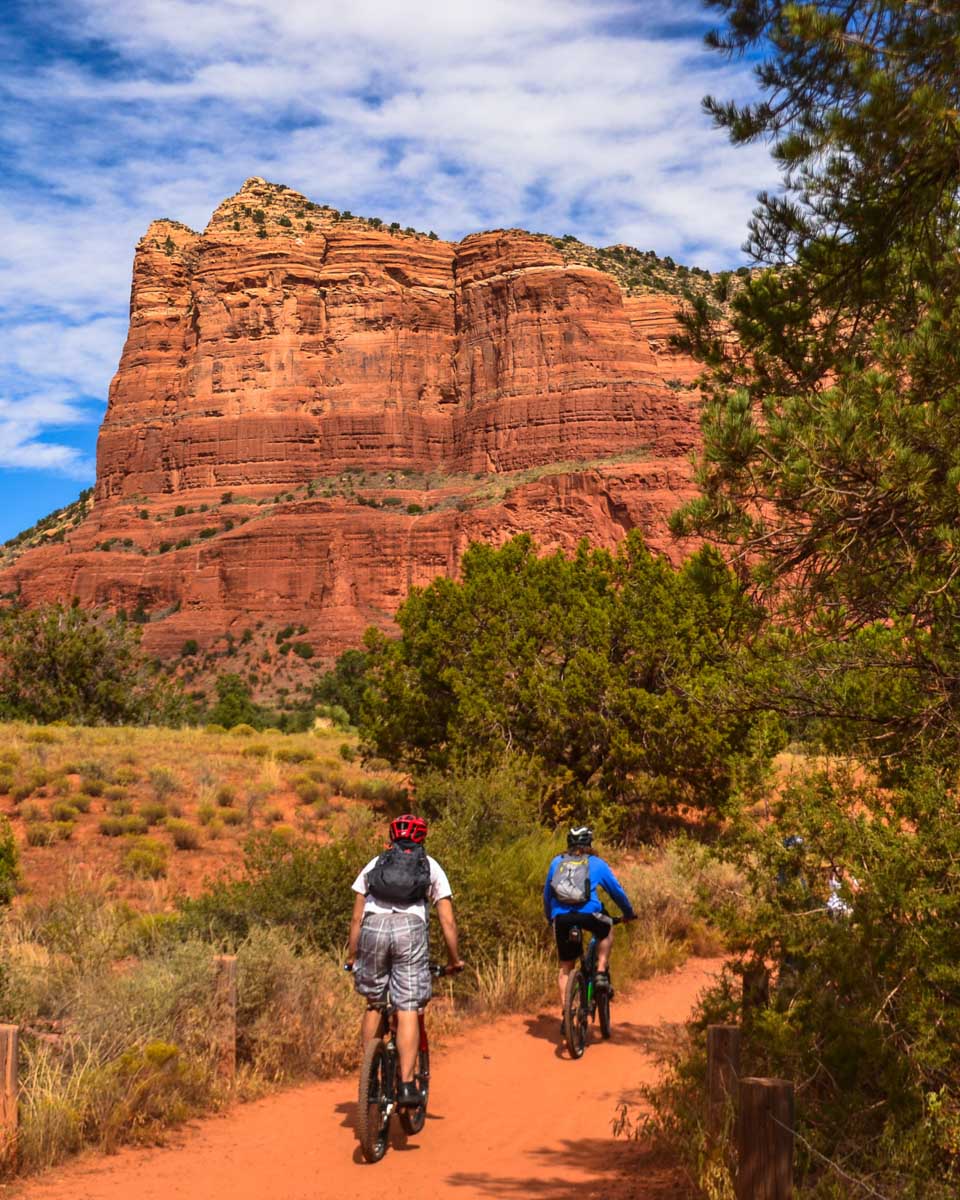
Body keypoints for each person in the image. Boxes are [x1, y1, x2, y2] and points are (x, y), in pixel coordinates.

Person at [346, 813, 462, 1106]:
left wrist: (352, 956)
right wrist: (454, 959)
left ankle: (371, 1074)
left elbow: (357, 917)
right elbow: (447, 921)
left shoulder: (375, 863)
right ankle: (408, 1084)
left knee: (374, 1001)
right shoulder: (430, 865)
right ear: (422, 838)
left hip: (373, 928)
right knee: (408, 1005)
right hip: (409, 930)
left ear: (391, 836)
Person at [544, 826, 635, 1019]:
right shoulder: (596, 863)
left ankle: (567, 1013)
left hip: (562, 917)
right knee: (607, 927)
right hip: (589, 914)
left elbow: (547, 894)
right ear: (589, 844)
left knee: (565, 968)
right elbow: (616, 891)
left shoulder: (556, 862)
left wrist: (550, 916)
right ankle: (601, 971)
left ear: (569, 844)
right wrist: (628, 912)